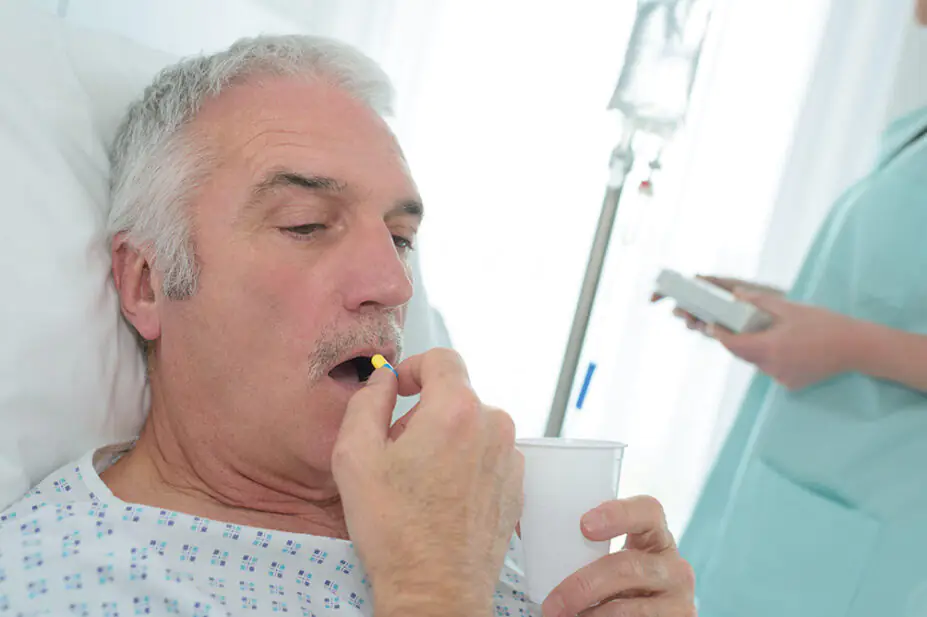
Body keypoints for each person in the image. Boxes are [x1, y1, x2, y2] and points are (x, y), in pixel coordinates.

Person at [0, 35, 695, 617]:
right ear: (148, 283)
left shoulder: (476, 521)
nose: (392, 287)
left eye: (399, 238)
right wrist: (431, 587)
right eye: (305, 225)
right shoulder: (59, 585)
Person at [667, 3, 927, 616]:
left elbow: (864, 334)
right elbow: (885, 302)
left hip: (872, 530)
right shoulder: (916, 132)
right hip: (791, 505)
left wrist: (842, 344)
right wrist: (776, 312)